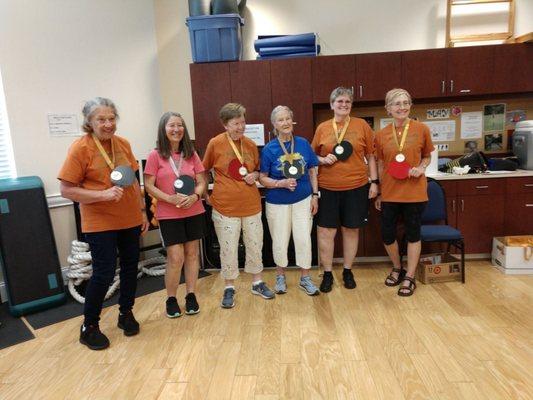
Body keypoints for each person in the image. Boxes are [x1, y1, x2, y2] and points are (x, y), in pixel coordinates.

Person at [58, 97, 149, 350]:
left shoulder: (123, 144)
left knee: (131, 267)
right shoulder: (80, 148)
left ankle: (126, 313)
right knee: (104, 273)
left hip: (129, 217)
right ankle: (89, 326)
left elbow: (131, 180)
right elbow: (66, 190)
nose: (108, 124)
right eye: (101, 119)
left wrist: (141, 211)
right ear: (89, 122)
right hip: (100, 222)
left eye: (111, 118)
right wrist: (102, 195)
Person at [202, 103, 274, 308]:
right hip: (225, 207)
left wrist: (255, 175)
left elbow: (259, 171)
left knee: (255, 245)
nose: (241, 127)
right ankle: (229, 287)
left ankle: (257, 282)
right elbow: (203, 169)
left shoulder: (250, 144)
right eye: (236, 124)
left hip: (251, 205)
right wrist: (206, 194)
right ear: (225, 124)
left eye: (243, 122)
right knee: (228, 248)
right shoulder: (215, 144)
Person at [311, 87, 379, 292]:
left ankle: (347, 270)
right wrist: (323, 159)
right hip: (328, 188)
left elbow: (372, 156)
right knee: (326, 232)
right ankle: (328, 273)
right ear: (332, 104)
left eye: (347, 102)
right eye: (339, 101)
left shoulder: (362, 126)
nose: (344, 105)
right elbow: (311, 157)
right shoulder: (322, 127)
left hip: (356, 187)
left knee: (351, 229)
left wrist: (374, 182)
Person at [144, 112, 207, 318]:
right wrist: (168, 199)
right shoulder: (156, 155)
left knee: (192, 254)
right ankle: (171, 298)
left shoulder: (191, 154)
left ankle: (191, 295)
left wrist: (196, 197)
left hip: (193, 210)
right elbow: (149, 185)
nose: (176, 129)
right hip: (169, 213)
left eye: (180, 125)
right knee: (175, 257)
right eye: (172, 125)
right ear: (164, 129)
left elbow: (201, 181)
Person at [374, 88, 434, 296]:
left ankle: (409, 276)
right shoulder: (381, 135)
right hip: (390, 192)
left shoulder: (421, 129)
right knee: (388, 234)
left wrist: (422, 167)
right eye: (397, 104)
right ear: (388, 109)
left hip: (415, 192)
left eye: (406, 103)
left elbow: (427, 156)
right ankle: (397, 267)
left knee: (413, 233)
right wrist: (380, 192)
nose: (402, 107)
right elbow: (381, 164)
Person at [259, 105, 320, 296]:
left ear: (292, 121)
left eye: (287, 119)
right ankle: (280, 276)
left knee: (303, 239)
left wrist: (315, 196)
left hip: (303, 199)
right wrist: (281, 183)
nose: (285, 123)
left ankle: (305, 278)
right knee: (279, 240)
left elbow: (312, 171)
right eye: (280, 120)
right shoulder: (269, 149)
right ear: (274, 125)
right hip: (277, 202)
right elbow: (263, 177)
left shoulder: (302, 143)